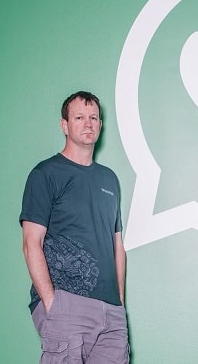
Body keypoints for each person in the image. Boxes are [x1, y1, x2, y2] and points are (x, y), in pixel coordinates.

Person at [20, 91, 130, 363]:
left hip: (111, 313)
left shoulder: (109, 179)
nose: (88, 123)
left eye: (94, 117)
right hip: (66, 303)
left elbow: (117, 246)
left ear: (100, 125)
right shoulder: (45, 174)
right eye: (79, 117)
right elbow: (31, 243)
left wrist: (120, 304)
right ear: (65, 125)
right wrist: (52, 304)